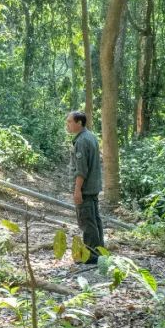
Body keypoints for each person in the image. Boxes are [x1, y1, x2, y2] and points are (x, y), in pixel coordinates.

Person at [67, 110, 103, 264]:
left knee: (86, 222)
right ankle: (100, 251)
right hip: (93, 188)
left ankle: (92, 256)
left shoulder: (82, 141)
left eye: (69, 122)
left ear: (79, 123)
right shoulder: (91, 137)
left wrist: (77, 190)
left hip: (85, 189)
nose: (67, 125)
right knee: (94, 220)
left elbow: (81, 170)